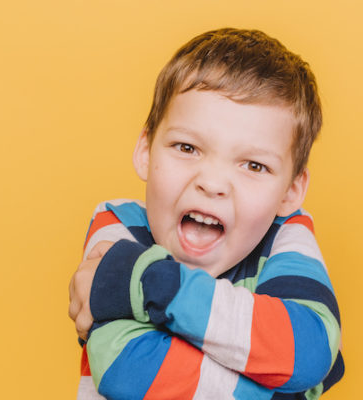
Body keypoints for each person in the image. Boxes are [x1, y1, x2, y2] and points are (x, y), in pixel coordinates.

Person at [68, 28, 344, 399]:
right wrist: (284, 386)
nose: (213, 183)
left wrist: (148, 283)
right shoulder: (118, 226)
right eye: (187, 147)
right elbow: (127, 370)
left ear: (291, 191)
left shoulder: (287, 239)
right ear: (146, 151)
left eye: (254, 166)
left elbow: (308, 349)